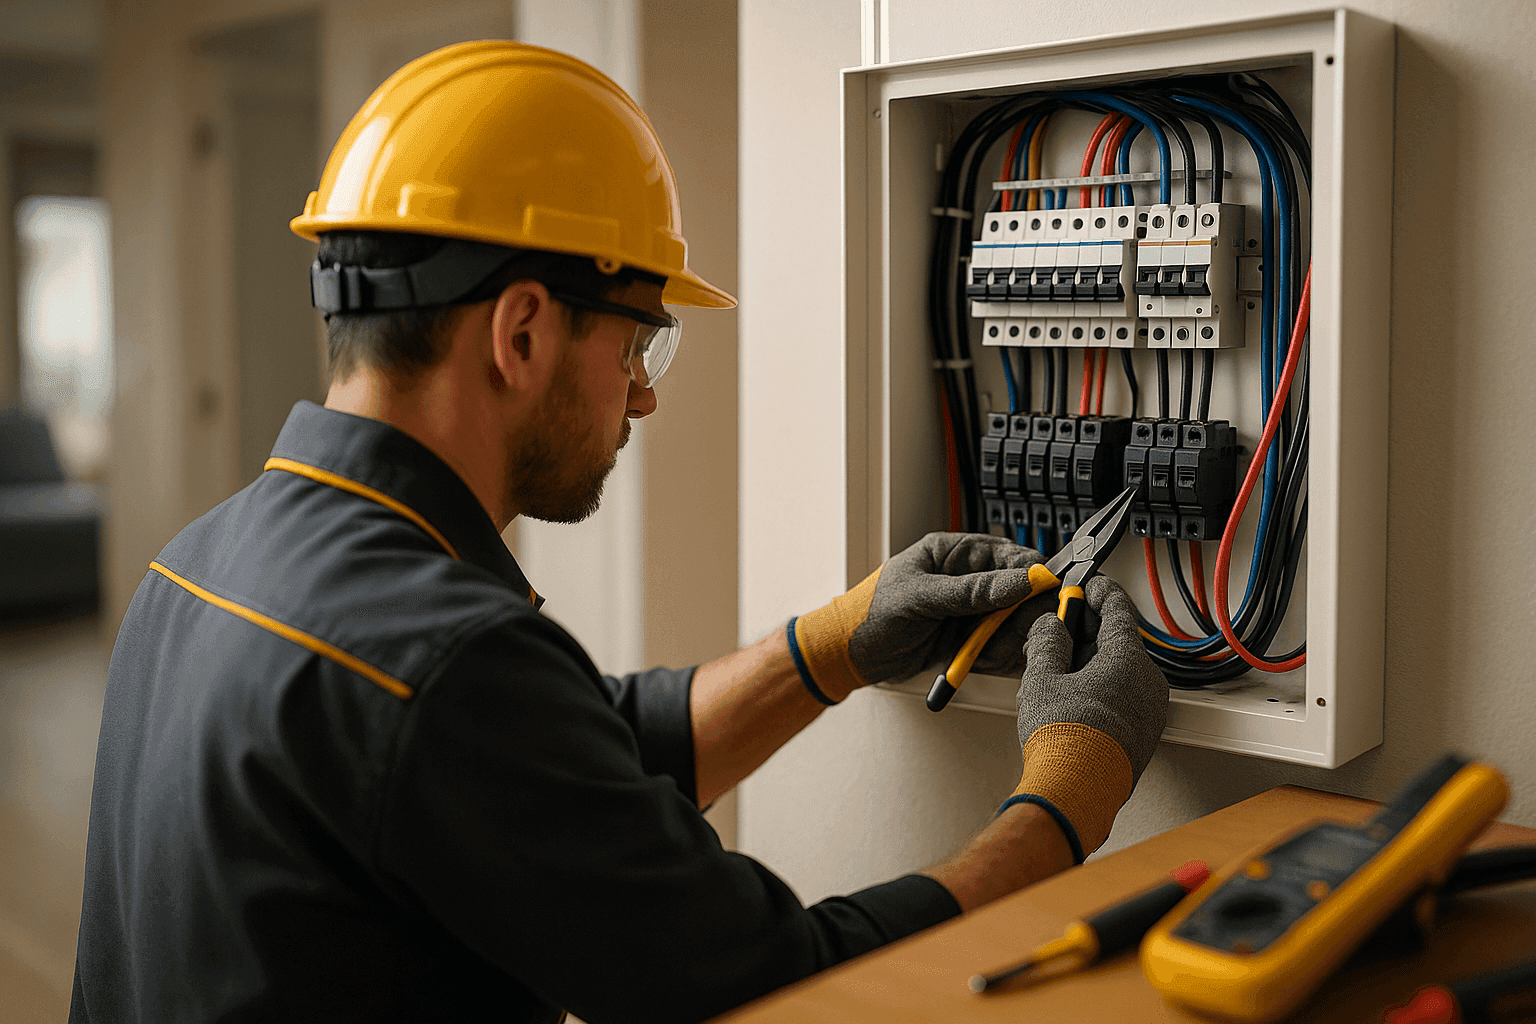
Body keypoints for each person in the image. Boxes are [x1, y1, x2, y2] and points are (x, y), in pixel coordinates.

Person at [70, 42, 1167, 1024]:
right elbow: (777, 985)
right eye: (637, 342)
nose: (643, 394)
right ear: (522, 332)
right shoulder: (441, 661)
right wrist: (1065, 799)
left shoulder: (196, 565)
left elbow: (567, 765)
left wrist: (835, 641)